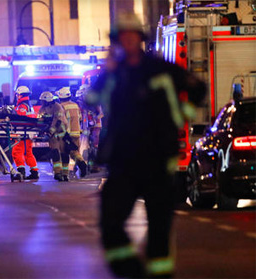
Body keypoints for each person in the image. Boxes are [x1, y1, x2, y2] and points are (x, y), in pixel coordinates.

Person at [84, 13, 206, 278]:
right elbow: (91, 99)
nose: (127, 41)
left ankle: (159, 274)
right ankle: (131, 271)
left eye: (132, 36)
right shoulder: (115, 73)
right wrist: (105, 73)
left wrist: (180, 116)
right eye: (122, 37)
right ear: (117, 41)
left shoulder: (159, 68)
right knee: (110, 223)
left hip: (157, 159)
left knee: (160, 227)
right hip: (122, 161)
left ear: (140, 39)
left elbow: (198, 88)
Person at [38, 91, 69, 182]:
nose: (41, 103)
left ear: (47, 100)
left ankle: (65, 174)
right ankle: (58, 173)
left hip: (62, 133)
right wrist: (41, 129)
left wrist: (50, 131)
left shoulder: (57, 107)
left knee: (64, 154)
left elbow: (58, 121)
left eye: (43, 101)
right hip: (53, 135)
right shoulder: (43, 108)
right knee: (55, 153)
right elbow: (40, 119)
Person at [57, 87, 87, 178]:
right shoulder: (75, 105)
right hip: (76, 132)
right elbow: (80, 118)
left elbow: (60, 120)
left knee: (64, 153)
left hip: (66, 134)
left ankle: (64, 174)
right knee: (75, 151)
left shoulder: (61, 106)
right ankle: (81, 163)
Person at [12, 86, 39, 180]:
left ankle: (21, 171)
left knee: (17, 151)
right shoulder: (28, 104)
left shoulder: (22, 106)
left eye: (17, 94)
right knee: (28, 153)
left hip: (22, 132)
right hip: (28, 132)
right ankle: (34, 172)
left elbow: (20, 119)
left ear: (19, 95)